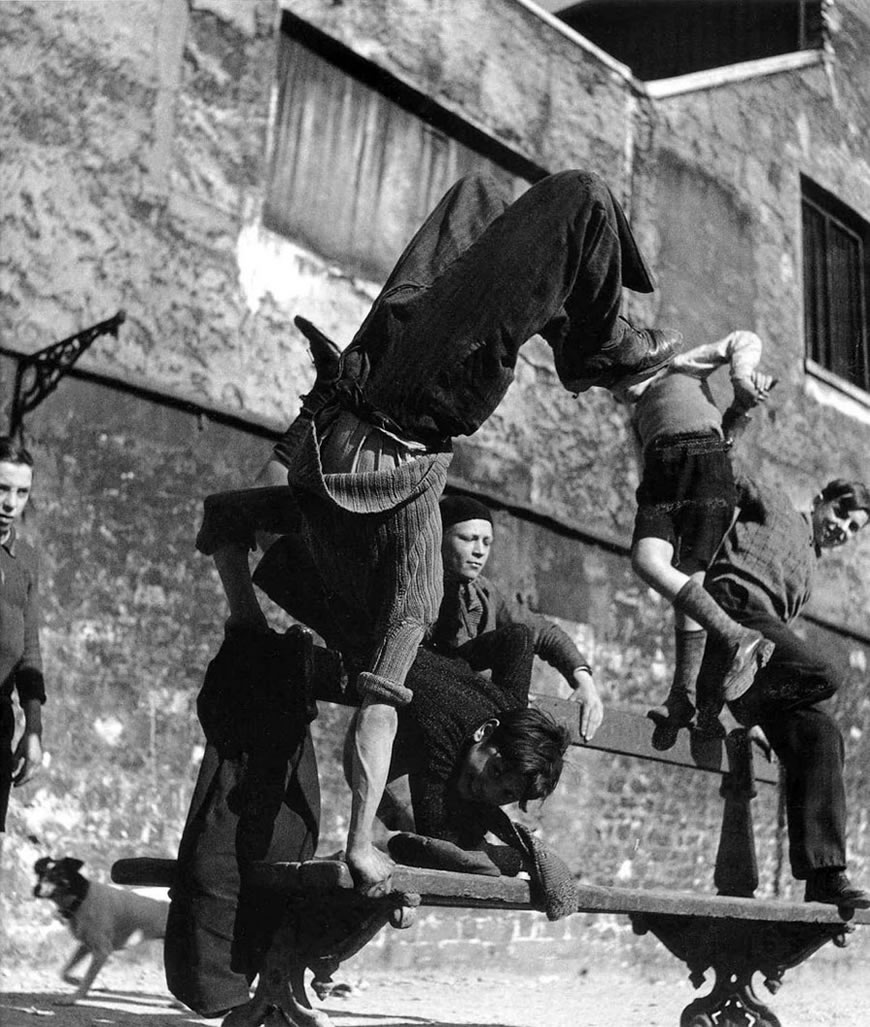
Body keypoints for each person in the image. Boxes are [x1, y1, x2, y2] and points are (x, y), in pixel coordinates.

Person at [197, 169, 682, 894]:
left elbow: (378, 716)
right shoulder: (445, 647)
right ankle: (585, 333)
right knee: (481, 200)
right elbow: (228, 518)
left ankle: (592, 341)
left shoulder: (409, 606)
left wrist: (362, 841)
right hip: (384, 397)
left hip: (382, 392)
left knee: (580, 197)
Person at [699, 473, 870, 908]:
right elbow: (727, 474)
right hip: (734, 602)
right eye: (840, 514)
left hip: (759, 646)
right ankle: (741, 710)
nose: (841, 528)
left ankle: (825, 874)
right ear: (818, 501)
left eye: (853, 530)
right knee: (827, 674)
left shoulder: (809, 571)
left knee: (821, 733)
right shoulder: (775, 501)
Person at [609, 331, 777, 746]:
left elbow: (743, 339)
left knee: (690, 576)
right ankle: (727, 644)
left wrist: (741, 381)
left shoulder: (680, 366)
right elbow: (641, 458)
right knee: (649, 561)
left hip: (704, 463)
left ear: (640, 360)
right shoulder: (636, 415)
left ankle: (683, 694)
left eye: (614, 378)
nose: (613, 390)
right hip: (659, 480)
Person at [431, 493, 603, 741]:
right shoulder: (421, 586)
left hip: (475, 712)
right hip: (439, 700)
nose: (479, 551)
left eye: (486, 542)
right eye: (468, 539)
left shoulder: (484, 592)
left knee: (519, 635)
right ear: (440, 537)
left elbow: (542, 631)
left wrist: (583, 682)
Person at [0, 438, 45, 855]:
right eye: (1, 488)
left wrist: (33, 727)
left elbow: (29, 650)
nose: (9, 503)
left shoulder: (26, 561)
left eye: (20, 492)